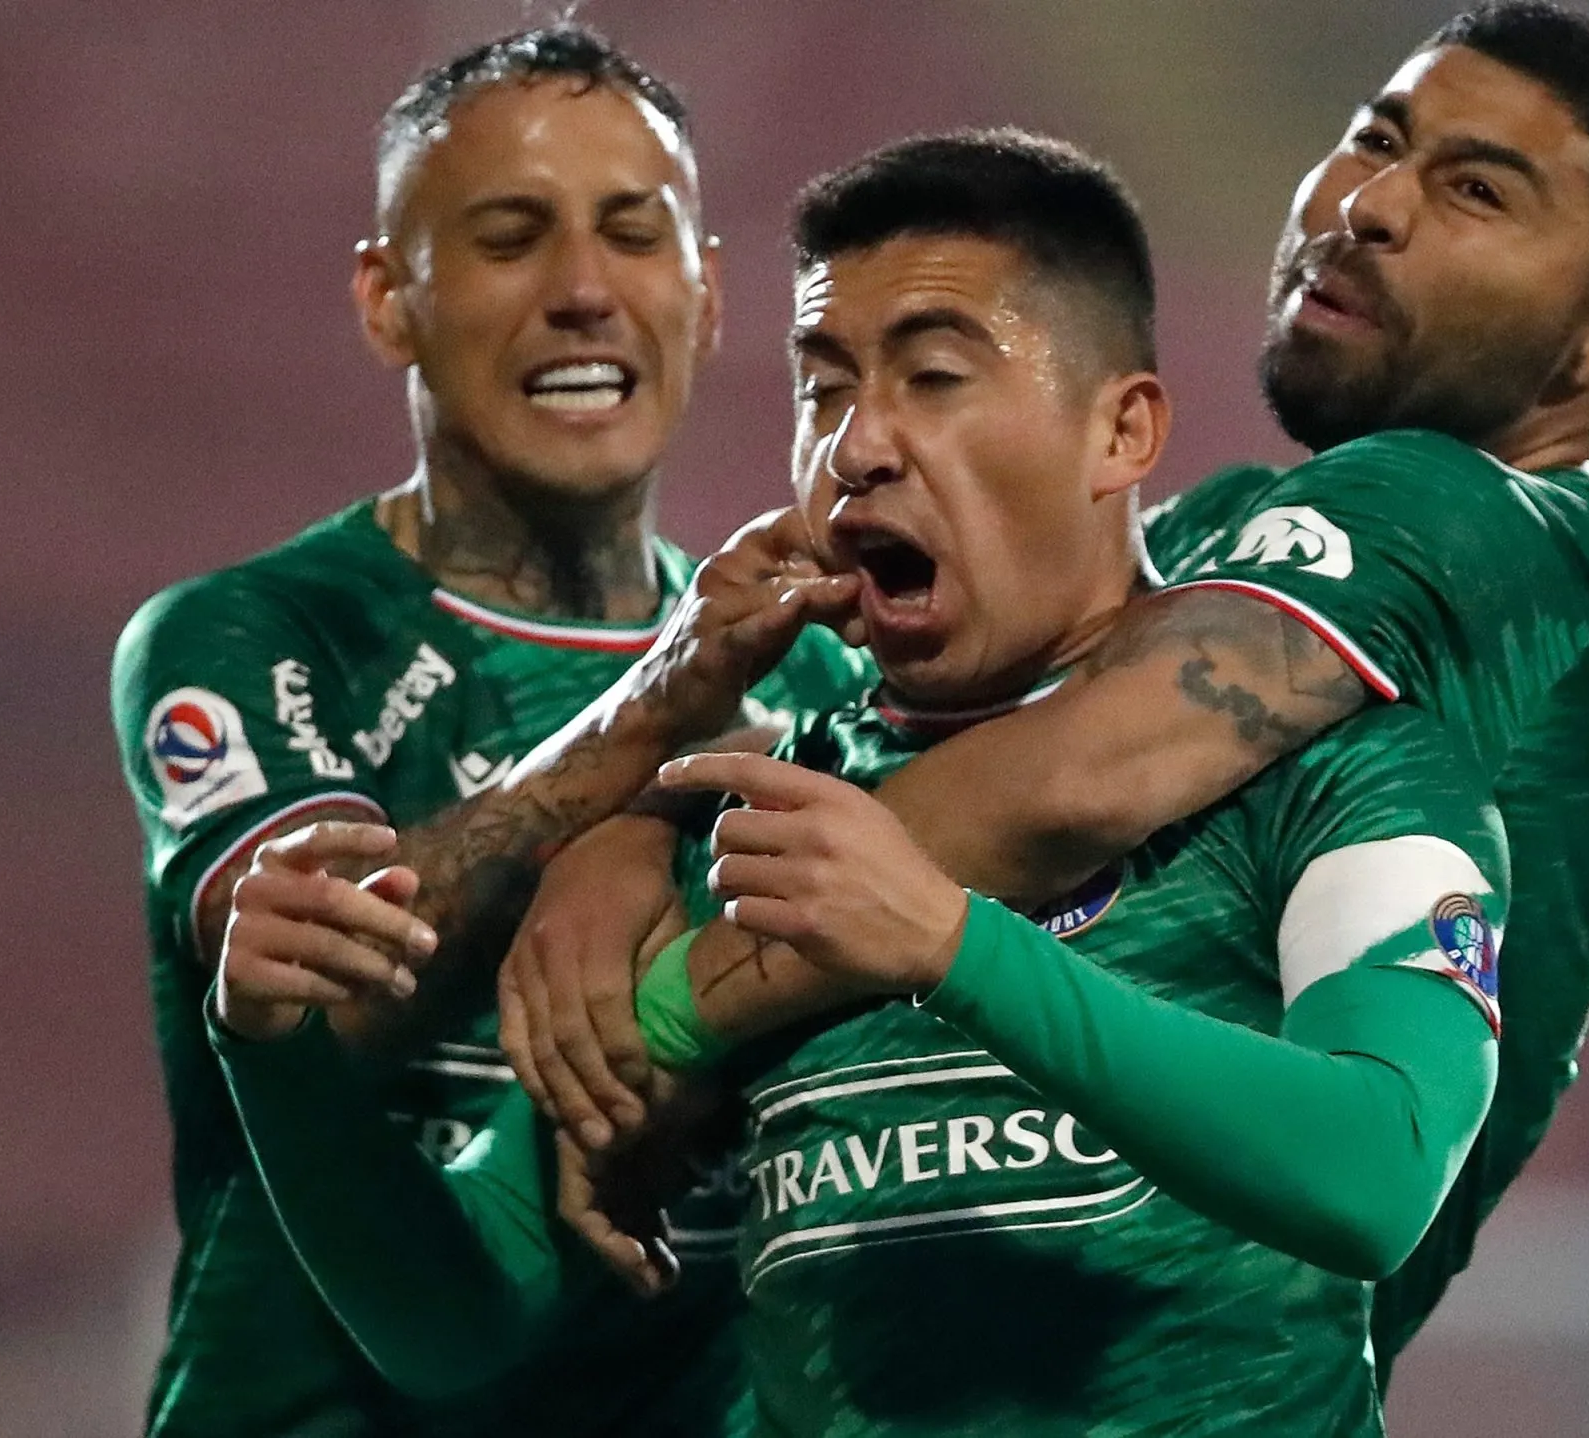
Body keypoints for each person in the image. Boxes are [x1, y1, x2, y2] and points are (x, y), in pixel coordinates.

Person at [212, 128, 1509, 1436]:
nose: (859, 446)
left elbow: (1380, 1167)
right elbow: (454, 1314)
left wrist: (953, 947)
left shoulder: (1337, 765)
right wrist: (271, 1053)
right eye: (822, 390)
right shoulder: (740, 825)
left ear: (1121, 429)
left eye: (934, 377)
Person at [500, 0, 1589, 1381]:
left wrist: (660, 1013)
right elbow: (842, 732)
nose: (1372, 205)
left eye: (1478, 192)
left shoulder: (1481, 520)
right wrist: (623, 839)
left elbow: (1068, 780)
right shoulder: (1238, 538)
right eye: (1375, 140)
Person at [108, 25, 866, 1437]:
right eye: (514, 238)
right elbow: (310, 1000)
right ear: (391, 298)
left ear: (705, 298)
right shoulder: (257, 635)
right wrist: (661, 713)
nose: (583, 291)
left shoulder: (822, 674)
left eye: (634, 236)